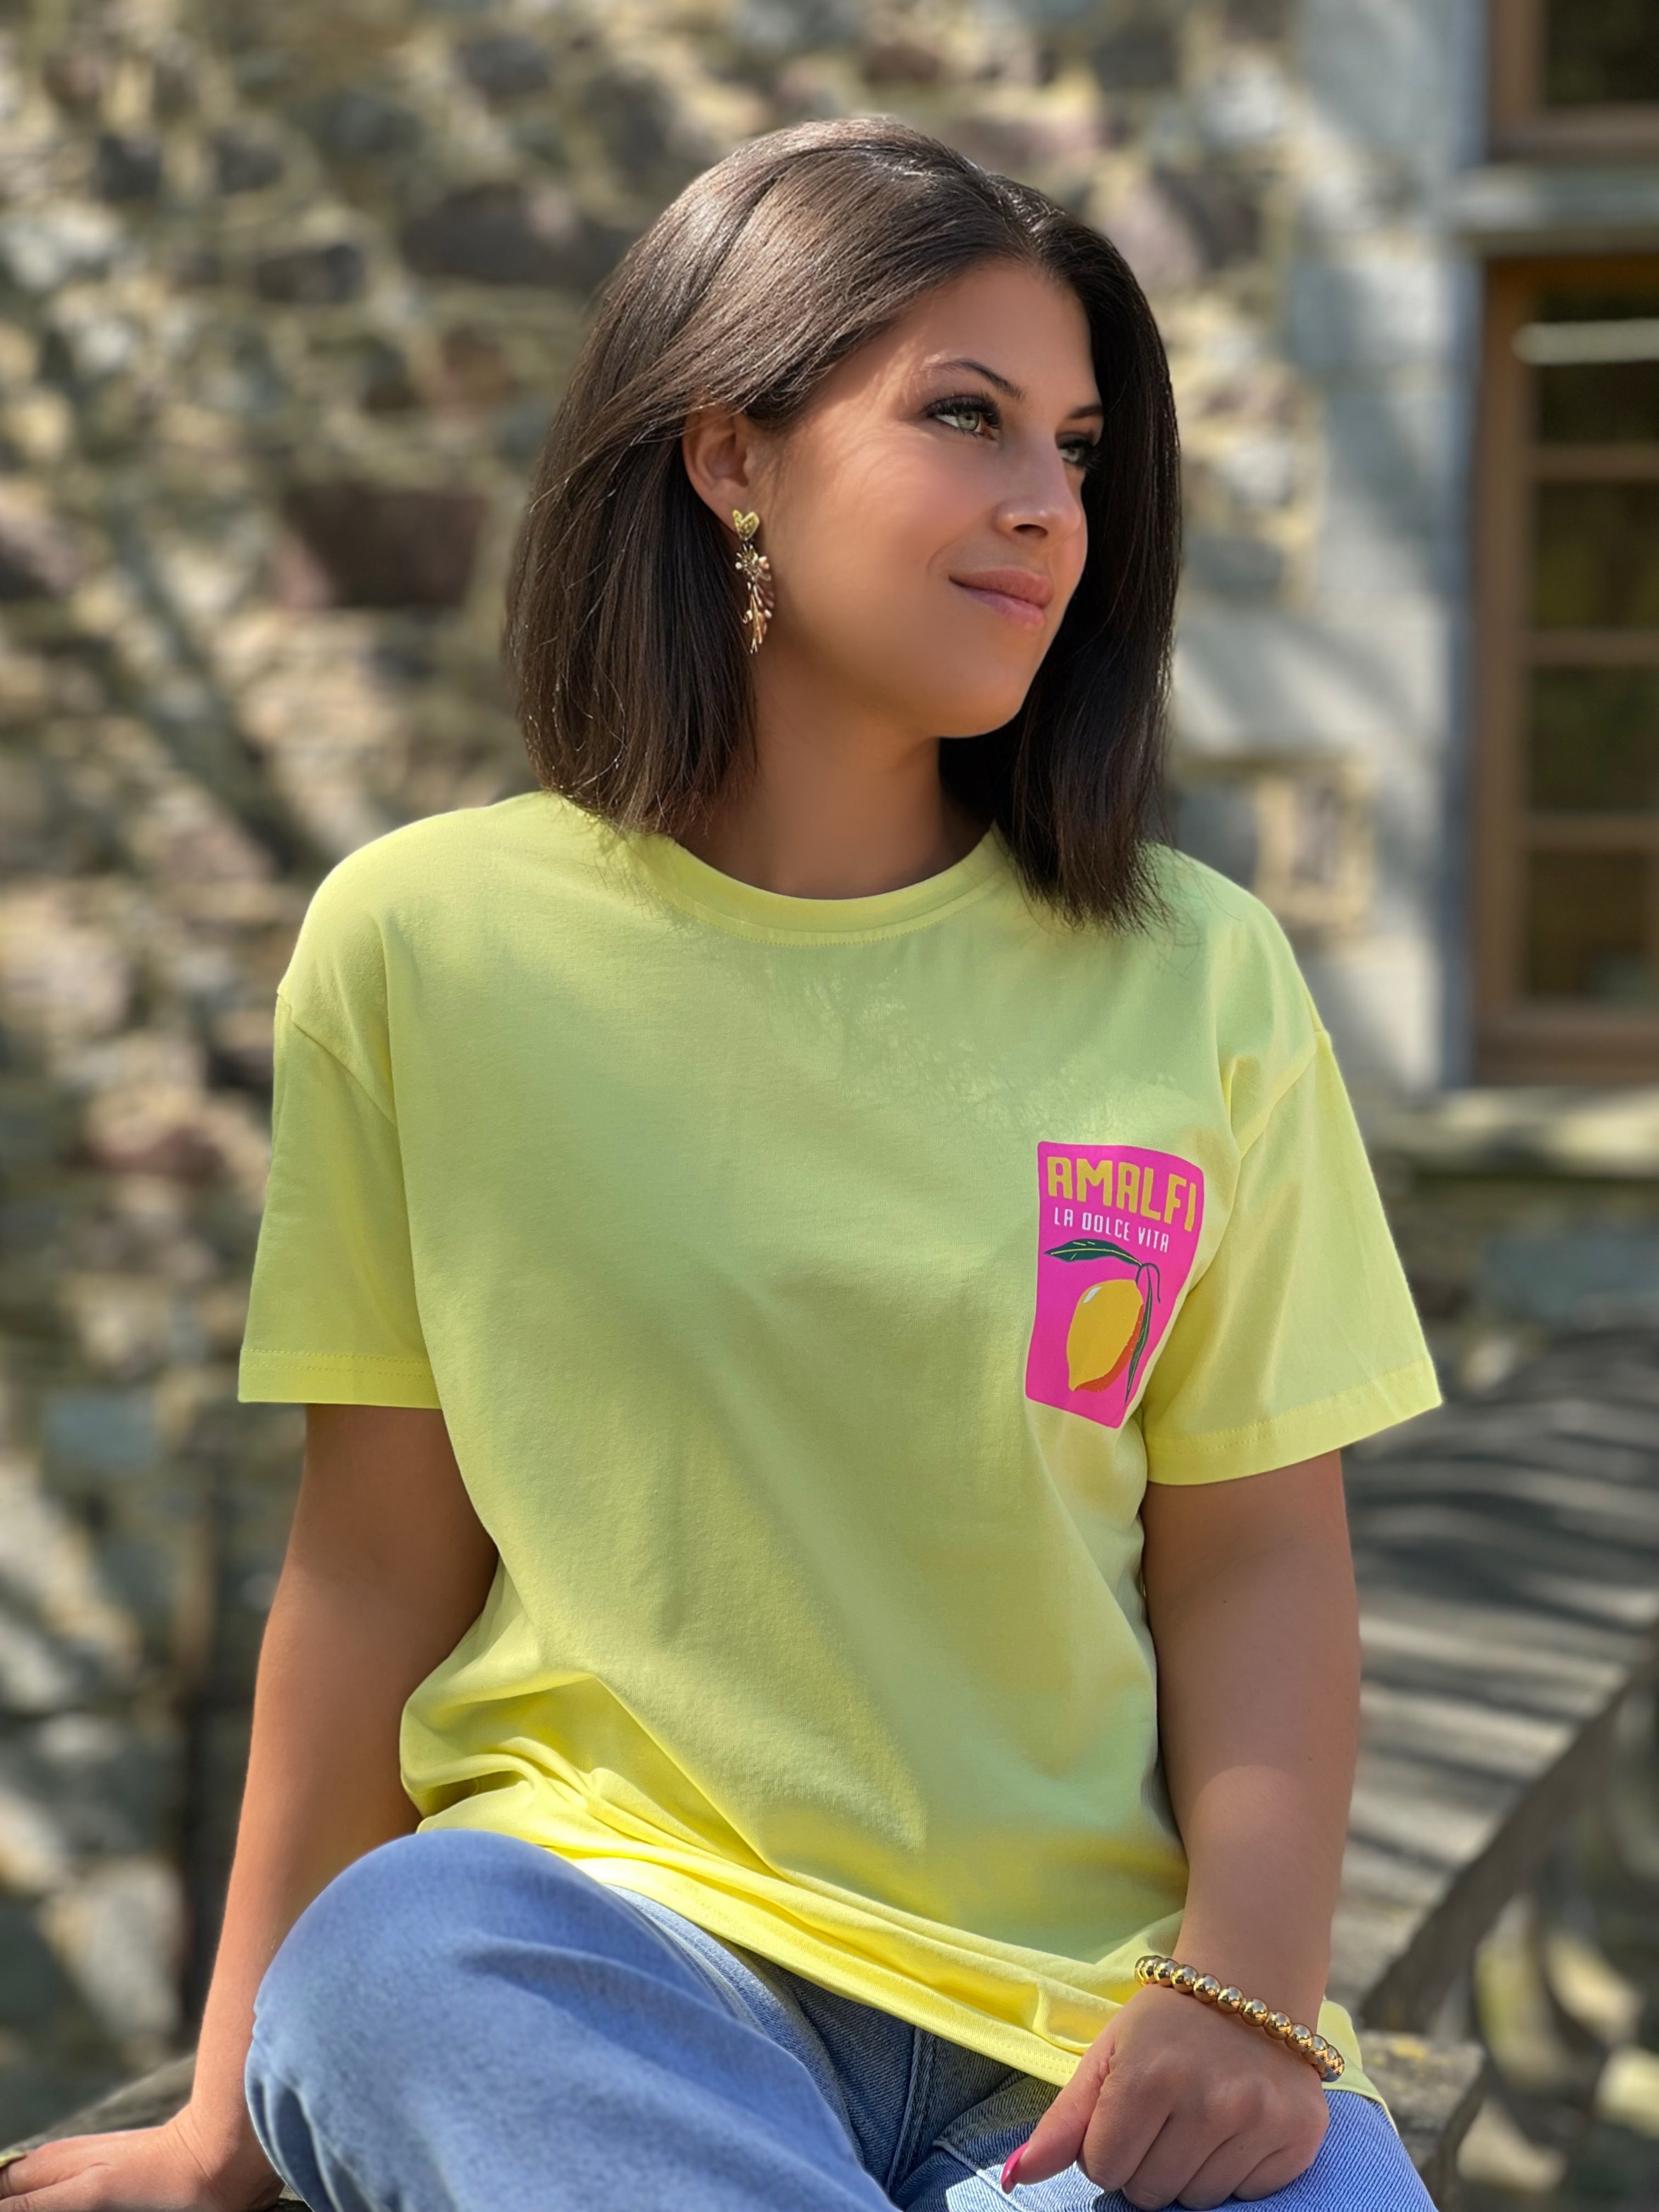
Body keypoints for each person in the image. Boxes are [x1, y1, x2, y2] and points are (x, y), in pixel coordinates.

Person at [0, 118, 1444, 2212]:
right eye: (965, 416)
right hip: (596, 1974)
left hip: (1086, 2047)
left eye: (1079, 449)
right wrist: (227, 2127)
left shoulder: (1196, 974)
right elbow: (374, 1563)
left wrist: (1243, 1996)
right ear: (728, 454)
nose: (1049, 504)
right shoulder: (427, 946)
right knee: (397, 1960)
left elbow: (1258, 1556)